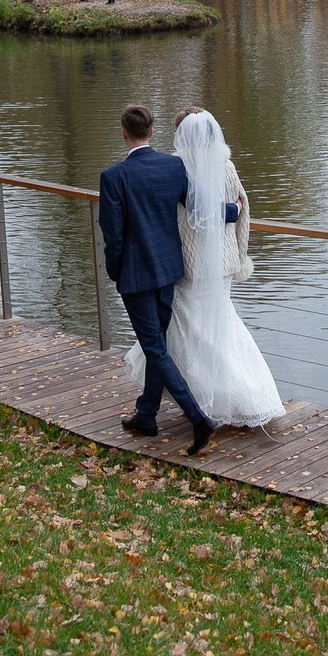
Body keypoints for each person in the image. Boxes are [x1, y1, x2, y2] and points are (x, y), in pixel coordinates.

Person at [124, 109, 284, 429]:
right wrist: (239, 251)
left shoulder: (176, 167)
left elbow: (188, 212)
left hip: (187, 264)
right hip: (222, 264)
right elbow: (243, 209)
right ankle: (216, 398)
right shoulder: (226, 166)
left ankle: (208, 399)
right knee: (217, 329)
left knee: (182, 333)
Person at [98, 104, 238, 455]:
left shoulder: (113, 177)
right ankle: (147, 414)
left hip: (137, 275)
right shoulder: (172, 166)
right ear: (152, 132)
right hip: (169, 270)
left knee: (155, 349)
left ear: (123, 132)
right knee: (157, 344)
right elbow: (197, 206)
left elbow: (113, 237)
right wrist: (232, 211)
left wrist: (115, 272)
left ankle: (198, 418)